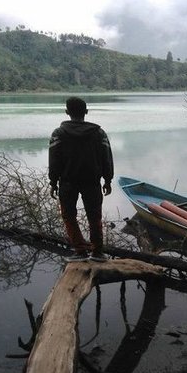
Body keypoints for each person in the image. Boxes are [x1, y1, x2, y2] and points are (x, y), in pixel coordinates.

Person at [48, 97, 114, 262]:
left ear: (67, 112)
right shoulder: (99, 133)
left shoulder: (59, 134)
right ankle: (98, 252)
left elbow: (54, 160)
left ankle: (80, 250)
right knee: (94, 216)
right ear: (86, 112)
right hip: (92, 182)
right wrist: (108, 179)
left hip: (67, 182)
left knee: (69, 216)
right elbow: (107, 158)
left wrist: (53, 182)